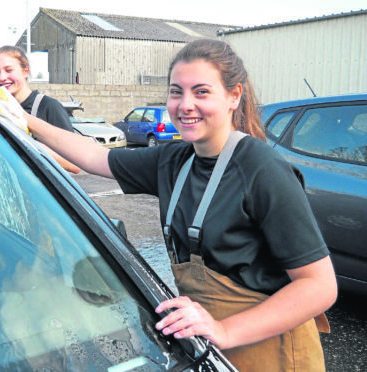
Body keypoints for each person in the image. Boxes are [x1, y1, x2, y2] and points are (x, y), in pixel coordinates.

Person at [18, 38, 337, 371]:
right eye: (176, 92)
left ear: (233, 96)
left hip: (274, 352)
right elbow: (94, 156)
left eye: (201, 92)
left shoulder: (261, 169)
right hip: (212, 346)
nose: (185, 104)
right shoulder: (173, 160)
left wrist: (225, 330)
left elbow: (319, 285)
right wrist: (24, 120)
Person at [0, 45, 79, 174]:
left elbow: (74, 165)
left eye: (9, 70)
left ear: (25, 71)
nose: (2, 77)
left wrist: (30, 145)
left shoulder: (48, 107)